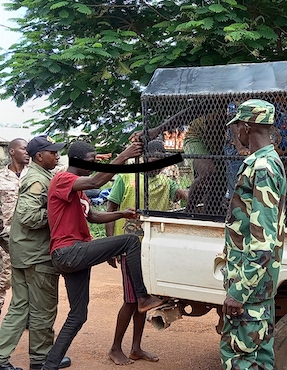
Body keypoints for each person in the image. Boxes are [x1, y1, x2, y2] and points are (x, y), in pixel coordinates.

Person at [40, 141, 164, 370]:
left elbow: (93, 217)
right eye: (91, 160)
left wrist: (122, 213)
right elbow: (97, 180)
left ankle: (49, 365)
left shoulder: (79, 192)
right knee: (129, 241)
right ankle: (143, 297)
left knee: (78, 316)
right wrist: (125, 154)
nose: (94, 164)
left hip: (75, 254)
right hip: (68, 252)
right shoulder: (62, 179)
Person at [106, 140, 187, 366]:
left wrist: (193, 192)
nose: (159, 166)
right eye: (155, 161)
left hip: (151, 249)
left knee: (145, 301)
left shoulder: (165, 181)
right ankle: (115, 348)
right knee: (132, 301)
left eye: (162, 162)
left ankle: (135, 348)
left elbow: (180, 193)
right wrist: (111, 244)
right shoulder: (126, 178)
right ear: (144, 158)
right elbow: (110, 209)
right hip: (127, 247)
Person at [220, 99, 287, 370]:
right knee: (259, 359)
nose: (236, 133)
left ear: (246, 128)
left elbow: (263, 240)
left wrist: (239, 291)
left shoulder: (262, 168)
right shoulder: (270, 162)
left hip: (250, 289)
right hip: (259, 286)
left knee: (240, 359)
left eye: (237, 127)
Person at [0, 136, 70, 370]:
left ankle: (1, 358)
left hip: (23, 251)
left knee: (20, 307)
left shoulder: (41, 175)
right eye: (53, 152)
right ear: (40, 156)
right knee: (43, 308)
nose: (57, 155)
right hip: (36, 255)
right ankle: (41, 359)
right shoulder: (37, 180)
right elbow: (30, 217)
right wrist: (58, 215)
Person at [0, 138, 30, 315]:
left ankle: (29, 320)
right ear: (12, 151)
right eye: (24, 149)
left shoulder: (35, 174)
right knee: (2, 282)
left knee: (31, 283)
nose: (27, 152)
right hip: (6, 240)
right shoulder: (1, 177)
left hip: (30, 239)